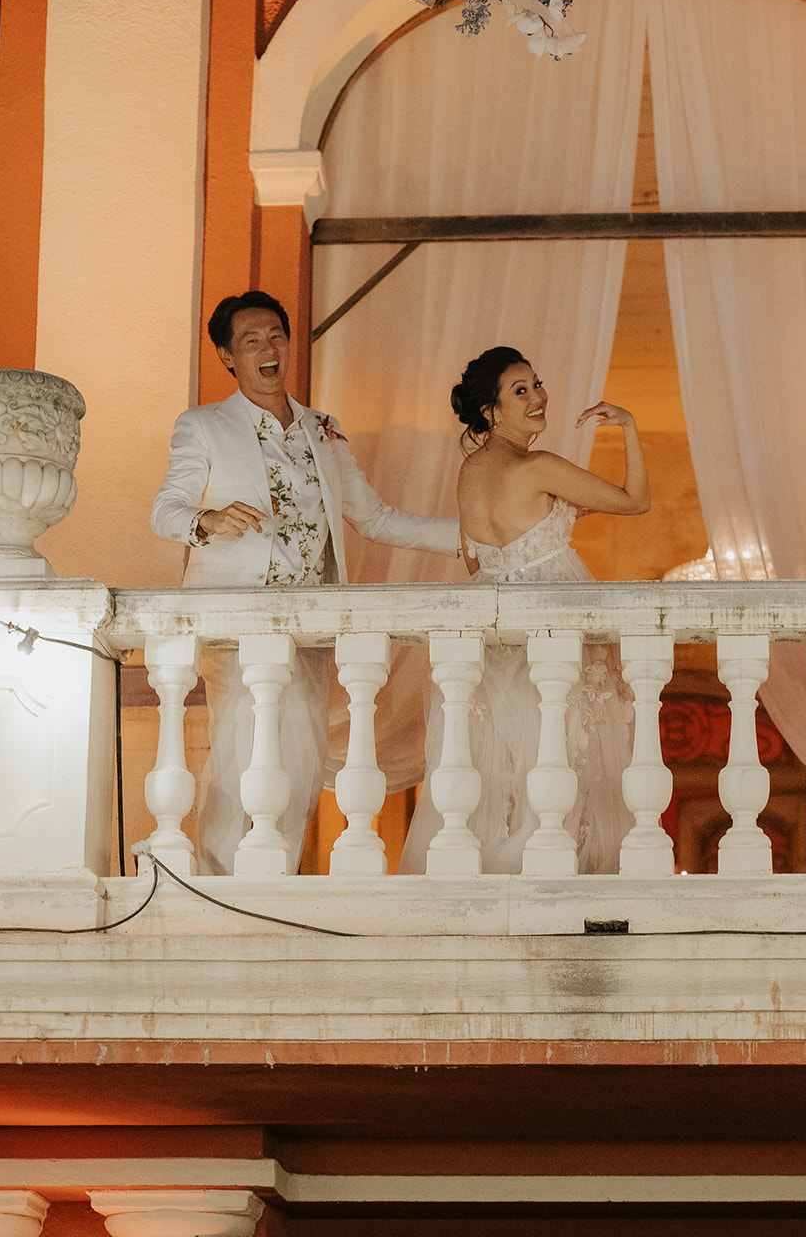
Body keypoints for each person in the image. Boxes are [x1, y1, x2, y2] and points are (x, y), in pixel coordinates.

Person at [151, 290, 459, 872]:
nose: (268, 348)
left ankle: (271, 880)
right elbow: (165, 511)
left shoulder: (323, 428)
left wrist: (474, 537)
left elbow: (374, 517)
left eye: (276, 336)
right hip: (240, 624)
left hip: (312, 627)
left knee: (297, 757)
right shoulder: (204, 425)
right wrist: (206, 520)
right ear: (227, 356)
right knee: (243, 755)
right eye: (251, 340)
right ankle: (220, 882)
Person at [398, 345, 651, 876]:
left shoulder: (469, 473)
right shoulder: (539, 466)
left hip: (494, 621)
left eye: (537, 384)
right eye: (521, 391)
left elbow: (475, 560)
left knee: (509, 763)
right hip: (552, 614)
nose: (538, 397)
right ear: (490, 411)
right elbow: (635, 501)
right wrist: (627, 426)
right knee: (567, 752)